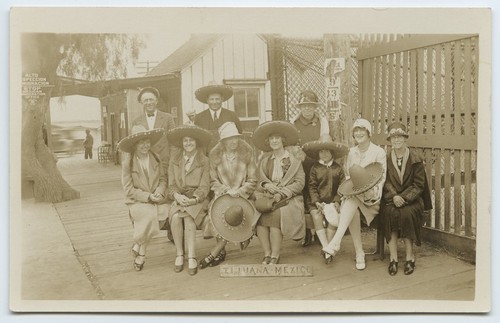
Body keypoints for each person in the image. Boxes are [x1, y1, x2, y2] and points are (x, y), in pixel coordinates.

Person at [322, 118, 387, 270]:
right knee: (351, 202)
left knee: (351, 201)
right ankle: (359, 253)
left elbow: (381, 179)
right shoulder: (351, 152)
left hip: (372, 198)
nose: (358, 133)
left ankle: (337, 242)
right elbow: (348, 176)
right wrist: (352, 191)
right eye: (356, 130)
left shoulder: (379, 152)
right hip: (355, 196)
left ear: (368, 132)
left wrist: (367, 193)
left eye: (362, 130)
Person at [199, 121, 257, 269]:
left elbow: (253, 179)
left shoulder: (247, 153)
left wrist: (240, 191)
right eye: (230, 139)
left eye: (236, 138)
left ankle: (215, 252)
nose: (233, 141)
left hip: (243, 196)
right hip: (222, 194)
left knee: (235, 212)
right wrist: (225, 190)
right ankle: (221, 250)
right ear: (223, 141)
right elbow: (212, 180)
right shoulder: (215, 155)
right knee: (218, 212)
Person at [381, 122, 432, 276]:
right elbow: (385, 181)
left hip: (412, 200)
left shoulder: (415, 158)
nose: (396, 140)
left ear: (405, 138)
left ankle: (410, 257)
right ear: (390, 140)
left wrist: (403, 198)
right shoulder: (386, 158)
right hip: (392, 198)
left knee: (407, 214)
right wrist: (394, 196)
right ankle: (394, 259)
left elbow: (418, 185)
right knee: (388, 213)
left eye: (400, 137)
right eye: (393, 137)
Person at [252, 121, 305, 264]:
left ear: (283, 140)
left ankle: (275, 254)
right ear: (268, 142)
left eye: (277, 138)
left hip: (289, 198)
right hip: (268, 197)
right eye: (271, 139)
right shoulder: (265, 160)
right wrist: (266, 185)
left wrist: (282, 192)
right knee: (260, 218)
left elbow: (300, 183)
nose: (274, 141)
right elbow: (259, 182)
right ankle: (267, 253)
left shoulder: (294, 160)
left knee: (276, 215)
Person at [117, 126, 168, 272]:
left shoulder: (156, 158)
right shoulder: (128, 162)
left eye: (147, 141)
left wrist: (159, 191)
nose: (145, 145)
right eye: (141, 142)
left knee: (166, 210)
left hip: (156, 199)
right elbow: (128, 189)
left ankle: (138, 245)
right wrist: (147, 197)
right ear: (135, 145)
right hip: (138, 201)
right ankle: (142, 254)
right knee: (150, 214)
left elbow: (163, 179)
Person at [165, 125, 213, 276]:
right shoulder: (175, 160)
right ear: (182, 143)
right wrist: (177, 196)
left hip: (197, 199)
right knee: (174, 218)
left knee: (188, 217)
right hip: (179, 197)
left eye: (191, 141)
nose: (188, 144)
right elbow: (171, 185)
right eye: (185, 141)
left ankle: (191, 255)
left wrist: (193, 200)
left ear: (196, 142)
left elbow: (205, 187)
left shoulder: (204, 160)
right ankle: (180, 254)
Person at [291, 90, 331, 246]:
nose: (307, 109)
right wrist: (296, 152)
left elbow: (325, 142)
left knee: (318, 196)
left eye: (310, 106)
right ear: (300, 108)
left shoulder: (322, 122)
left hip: (317, 163)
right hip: (301, 165)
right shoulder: (294, 123)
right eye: (304, 106)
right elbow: (291, 144)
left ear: (315, 107)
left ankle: (322, 231)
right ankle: (306, 232)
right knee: (303, 196)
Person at [302, 139, 348, 264]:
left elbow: (342, 187)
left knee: (333, 219)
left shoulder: (338, 168)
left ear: (332, 153)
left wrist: (337, 201)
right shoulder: (315, 168)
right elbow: (311, 186)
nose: (325, 154)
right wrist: (316, 201)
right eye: (322, 152)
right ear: (318, 154)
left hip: (332, 201)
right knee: (316, 216)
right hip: (315, 201)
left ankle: (328, 249)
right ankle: (326, 246)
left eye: (327, 152)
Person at [132, 87, 177, 169]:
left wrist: (172, 162)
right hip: (146, 165)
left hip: (164, 163)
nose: (149, 103)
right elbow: (135, 146)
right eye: (145, 100)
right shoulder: (136, 122)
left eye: (151, 99)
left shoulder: (168, 118)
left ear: (156, 101)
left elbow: (174, 143)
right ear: (142, 102)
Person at [194, 81, 242, 151]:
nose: (214, 102)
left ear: (222, 99)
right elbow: (197, 140)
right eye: (211, 99)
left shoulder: (232, 115)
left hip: (227, 156)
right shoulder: (199, 117)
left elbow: (239, 135)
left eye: (217, 99)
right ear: (207, 100)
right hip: (206, 156)